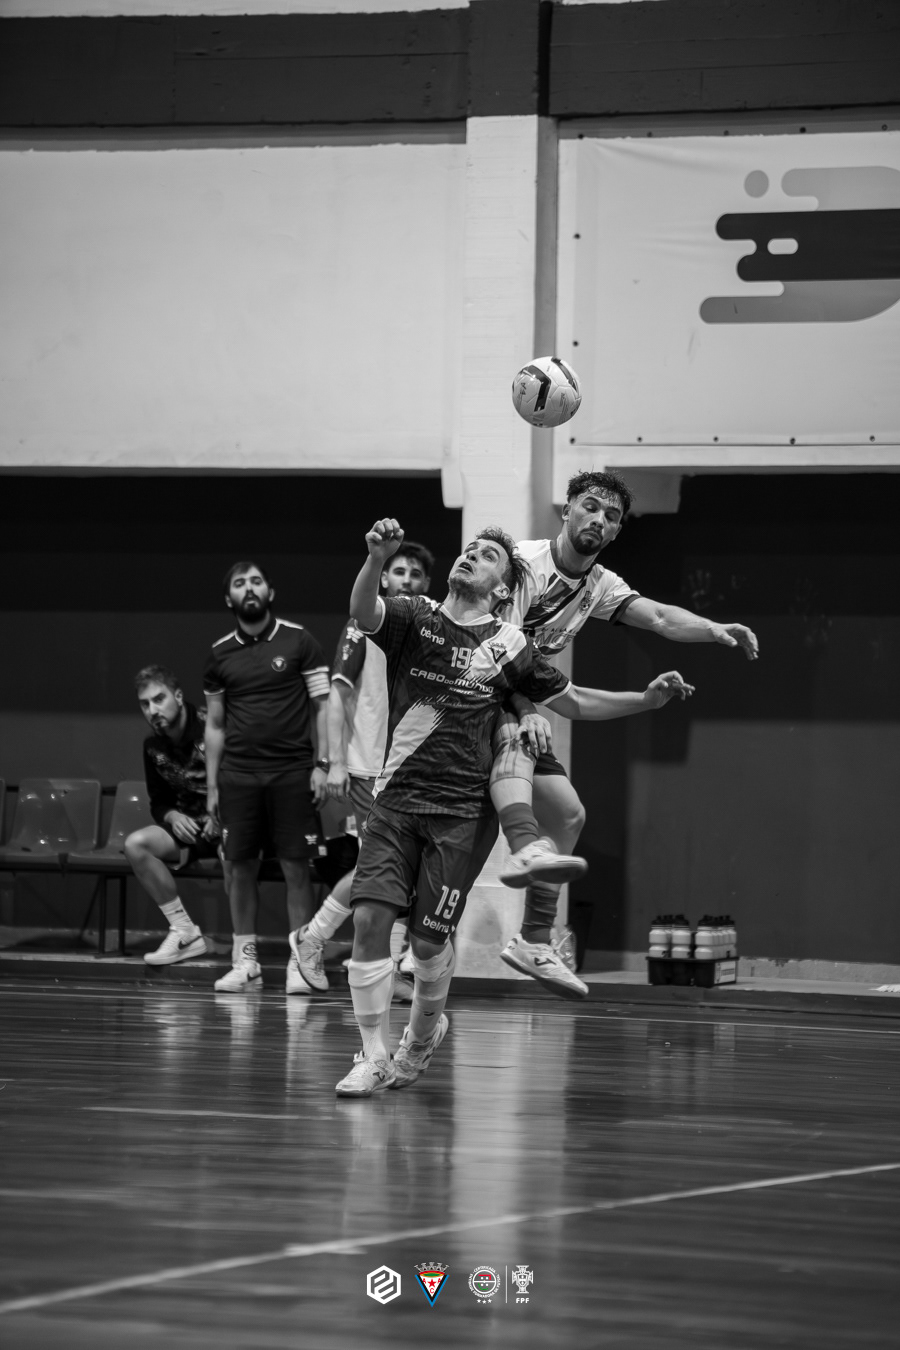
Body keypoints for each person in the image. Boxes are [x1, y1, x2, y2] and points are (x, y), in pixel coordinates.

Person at [334, 518, 693, 1097]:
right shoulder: (415, 616)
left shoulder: (511, 645)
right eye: (470, 550)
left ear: (503, 588)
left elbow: (575, 701)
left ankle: (421, 1038)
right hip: (395, 802)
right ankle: (372, 1054)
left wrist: (646, 701)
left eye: (488, 557)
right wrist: (376, 557)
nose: (471, 557)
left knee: (427, 945)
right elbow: (362, 611)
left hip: (460, 814)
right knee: (370, 921)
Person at [494, 468, 759, 998]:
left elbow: (658, 617)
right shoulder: (522, 564)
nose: (599, 518)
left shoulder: (598, 585)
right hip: (477, 691)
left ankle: (534, 939)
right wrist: (524, 709)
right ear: (567, 508)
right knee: (523, 741)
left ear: (616, 532)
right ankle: (521, 847)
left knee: (568, 814)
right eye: (590, 506)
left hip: (522, 695)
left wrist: (711, 629)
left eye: (611, 515)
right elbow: (497, 648)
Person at [289, 541, 435, 999]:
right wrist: (333, 762)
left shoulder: (431, 627)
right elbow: (337, 696)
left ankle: (386, 967)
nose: (407, 579)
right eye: (399, 571)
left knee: (402, 870)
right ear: (384, 578)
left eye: (415, 573)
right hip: (370, 767)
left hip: (413, 770)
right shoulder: (363, 624)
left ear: (426, 584)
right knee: (379, 867)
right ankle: (312, 937)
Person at [204, 562, 330, 993]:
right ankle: (246, 961)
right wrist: (212, 787)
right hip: (238, 777)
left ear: (269, 592)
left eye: (256, 581)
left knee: (296, 867)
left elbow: (322, 707)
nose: (249, 589)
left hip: (293, 773)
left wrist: (323, 764)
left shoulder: (300, 640)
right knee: (239, 867)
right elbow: (215, 725)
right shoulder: (219, 653)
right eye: (240, 584)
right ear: (229, 599)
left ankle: (301, 961)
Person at [124, 665, 216, 966]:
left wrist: (222, 815)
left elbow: (243, 782)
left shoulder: (213, 727)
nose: (152, 710)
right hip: (188, 830)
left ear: (177, 696)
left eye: (159, 699)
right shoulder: (153, 746)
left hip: (228, 825)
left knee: (237, 851)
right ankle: (185, 932)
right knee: (136, 845)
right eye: (145, 704)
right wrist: (173, 816)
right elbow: (159, 803)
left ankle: (244, 949)